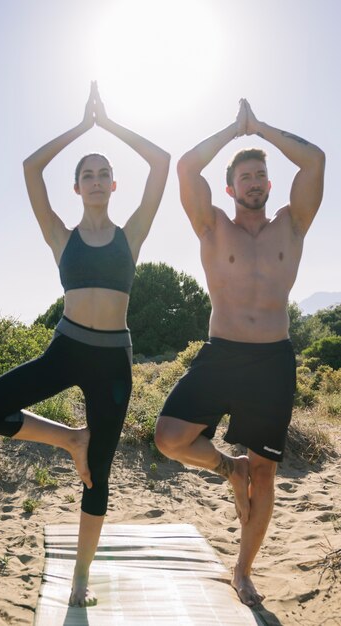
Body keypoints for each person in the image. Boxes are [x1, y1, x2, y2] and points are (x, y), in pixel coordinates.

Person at [0, 82, 170, 607]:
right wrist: (83, 128)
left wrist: (112, 125)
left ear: (113, 185)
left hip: (113, 362)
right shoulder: (61, 236)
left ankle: (81, 577)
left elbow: (162, 162)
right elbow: (32, 170)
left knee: (97, 476)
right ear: (77, 188)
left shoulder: (133, 234)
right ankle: (67, 439)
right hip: (66, 348)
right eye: (88, 175)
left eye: (104, 174)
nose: (97, 181)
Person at [155, 99, 325, 607]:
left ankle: (243, 570)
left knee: (266, 473)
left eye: (260, 176)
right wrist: (234, 130)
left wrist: (263, 130)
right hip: (222, 353)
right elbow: (186, 167)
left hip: (273, 361)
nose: (254, 182)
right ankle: (229, 468)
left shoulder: (293, 225)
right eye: (245, 177)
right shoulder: (212, 227)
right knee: (169, 438)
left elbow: (314, 161)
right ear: (230, 188)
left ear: (269, 185)